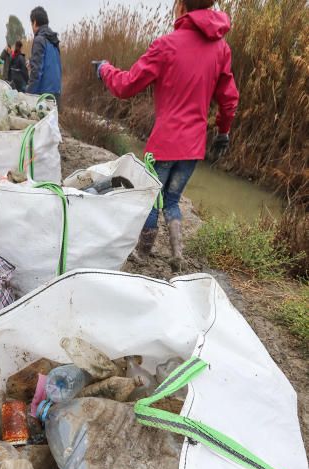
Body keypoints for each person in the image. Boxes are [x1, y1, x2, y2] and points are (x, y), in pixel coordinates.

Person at [95, 0, 239, 271]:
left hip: (163, 144)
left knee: (151, 197)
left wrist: (104, 69)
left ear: (182, 6)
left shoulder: (166, 45)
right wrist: (223, 131)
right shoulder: (221, 49)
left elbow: (125, 86)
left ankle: (142, 253)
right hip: (193, 146)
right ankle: (177, 253)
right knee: (171, 200)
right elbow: (229, 99)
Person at [27, 6, 62, 102]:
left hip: (43, 96)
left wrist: (28, 95)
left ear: (34, 22)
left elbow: (36, 72)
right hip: (56, 93)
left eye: (31, 23)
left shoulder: (39, 39)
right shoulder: (54, 40)